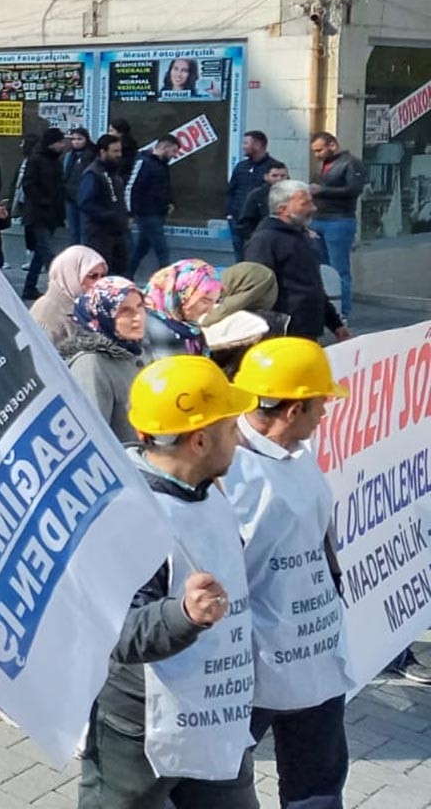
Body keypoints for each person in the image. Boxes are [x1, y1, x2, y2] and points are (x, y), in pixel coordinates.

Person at [77, 355, 257, 809]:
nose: (240, 437)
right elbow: (117, 633)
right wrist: (183, 615)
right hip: (141, 730)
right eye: (231, 427)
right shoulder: (131, 514)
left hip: (218, 715)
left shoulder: (207, 488)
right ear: (199, 440)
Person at [224, 338, 356, 808]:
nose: (326, 411)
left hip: (314, 654)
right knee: (218, 785)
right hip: (252, 666)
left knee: (317, 785)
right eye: (322, 401)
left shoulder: (296, 453)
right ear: (293, 408)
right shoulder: (229, 471)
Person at [244, 181, 350, 343]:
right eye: (305, 203)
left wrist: (336, 325)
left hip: (306, 330)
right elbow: (256, 292)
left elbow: (314, 285)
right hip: (282, 335)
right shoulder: (265, 240)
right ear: (282, 209)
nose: (313, 208)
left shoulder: (302, 236)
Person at [62, 277, 148, 442]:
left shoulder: (136, 348)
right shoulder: (90, 364)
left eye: (140, 306)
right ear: (102, 315)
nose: (138, 317)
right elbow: (94, 436)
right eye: (125, 311)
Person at [307, 132, 363, 326]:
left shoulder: (350, 163)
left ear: (333, 145)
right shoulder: (322, 164)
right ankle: (324, 309)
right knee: (320, 268)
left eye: (320, 150)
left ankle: (343, 312)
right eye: (314, 151)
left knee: (339, 269)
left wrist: (321, 190)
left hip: (339, 220)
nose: (317, 155)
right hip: (319, 218)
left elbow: (354, 189)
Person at [29, 244, 108, 351]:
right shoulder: (47, 312)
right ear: (71, 275)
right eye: (93, 276)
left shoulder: (94, 304)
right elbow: (37, 354)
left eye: (102, 276)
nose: (100, 283)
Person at [18, 127, 67, 297]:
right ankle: (60, 285)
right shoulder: (36, 159)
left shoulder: (55, 161)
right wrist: (43, 201)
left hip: (52, 212)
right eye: (60, 142)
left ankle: (29, 286)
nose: (63, 145)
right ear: (51, 143)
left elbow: (60, 187)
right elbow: (28, 185)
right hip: (38, 212)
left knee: (40, 251)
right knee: (46, 250)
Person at [143, 260, 222, 360]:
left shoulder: (190, 331)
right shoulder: (146, 329)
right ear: (181, 294)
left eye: (214, 302)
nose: (210, 310)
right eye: (205, 301)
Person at [126, 134, 180, 275]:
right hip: (147, 213)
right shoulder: (144, 162)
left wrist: (169, 201)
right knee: (162, 250)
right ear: (164, 147)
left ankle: (127, 274)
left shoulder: (162, 165)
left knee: (141, 248)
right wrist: (130, 213)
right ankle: (166, 282)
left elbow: (164, 186)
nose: (174, 155)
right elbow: (132, 188)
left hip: (158, 212)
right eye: (173, 151)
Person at [78, 134, 130, 277]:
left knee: (121, 272)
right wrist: (110, 215)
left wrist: (124, 216)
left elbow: (117, 199)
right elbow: (85, 202)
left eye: (120, 151)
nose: (119, 155)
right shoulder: (93, 173)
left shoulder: (114, 173)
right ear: (103, 152)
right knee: (101, 275)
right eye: (115, 151)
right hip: (99, 234)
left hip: (117, 232)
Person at [224, 131, 275, 261]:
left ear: (257, 145)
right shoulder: (241, 166)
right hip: (237, 221)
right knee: (240, 258)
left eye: (246, 143)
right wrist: (229, 213)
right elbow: (231, 191)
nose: (243, 146)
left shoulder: (273, 169)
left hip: (260, 223)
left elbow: (282, 192)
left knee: (259, 257)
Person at [232, 159, 288, 253]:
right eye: (274, 176)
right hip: (262, 243)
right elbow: (245, 223)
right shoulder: (256, 195)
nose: (279, 179)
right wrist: (255, 238)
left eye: (283, 176)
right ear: (266, 177)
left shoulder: (294, 195)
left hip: (287, 242)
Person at [62, 126, 97, 245]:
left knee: (85, 231)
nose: (76, 142)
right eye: (73, 139)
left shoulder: (91, 155)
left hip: (85, 198)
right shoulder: (69, 155)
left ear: (86, 139)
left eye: (79, 139)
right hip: (70, 197)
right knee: (73, 231)